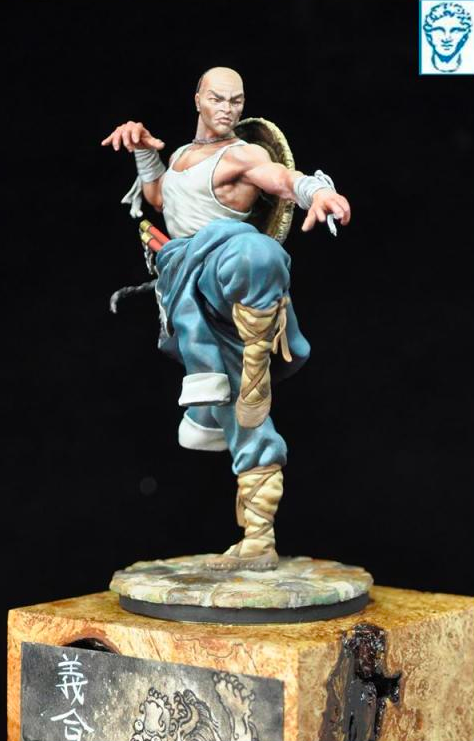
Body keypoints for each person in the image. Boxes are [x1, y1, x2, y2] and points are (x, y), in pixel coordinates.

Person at [102, 67, 351, 571]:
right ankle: (258, 539)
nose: (227, 109)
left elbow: (280, 179)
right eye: (217, 99)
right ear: (198, 99)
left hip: (222, 272)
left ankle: (257, 355)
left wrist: (315, 191)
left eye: (236, 101)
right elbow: (160, 200)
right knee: (243, 416)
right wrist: (145, 151)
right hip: (183, 282)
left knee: (257, 252)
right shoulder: (180, 156)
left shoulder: (243, 155)